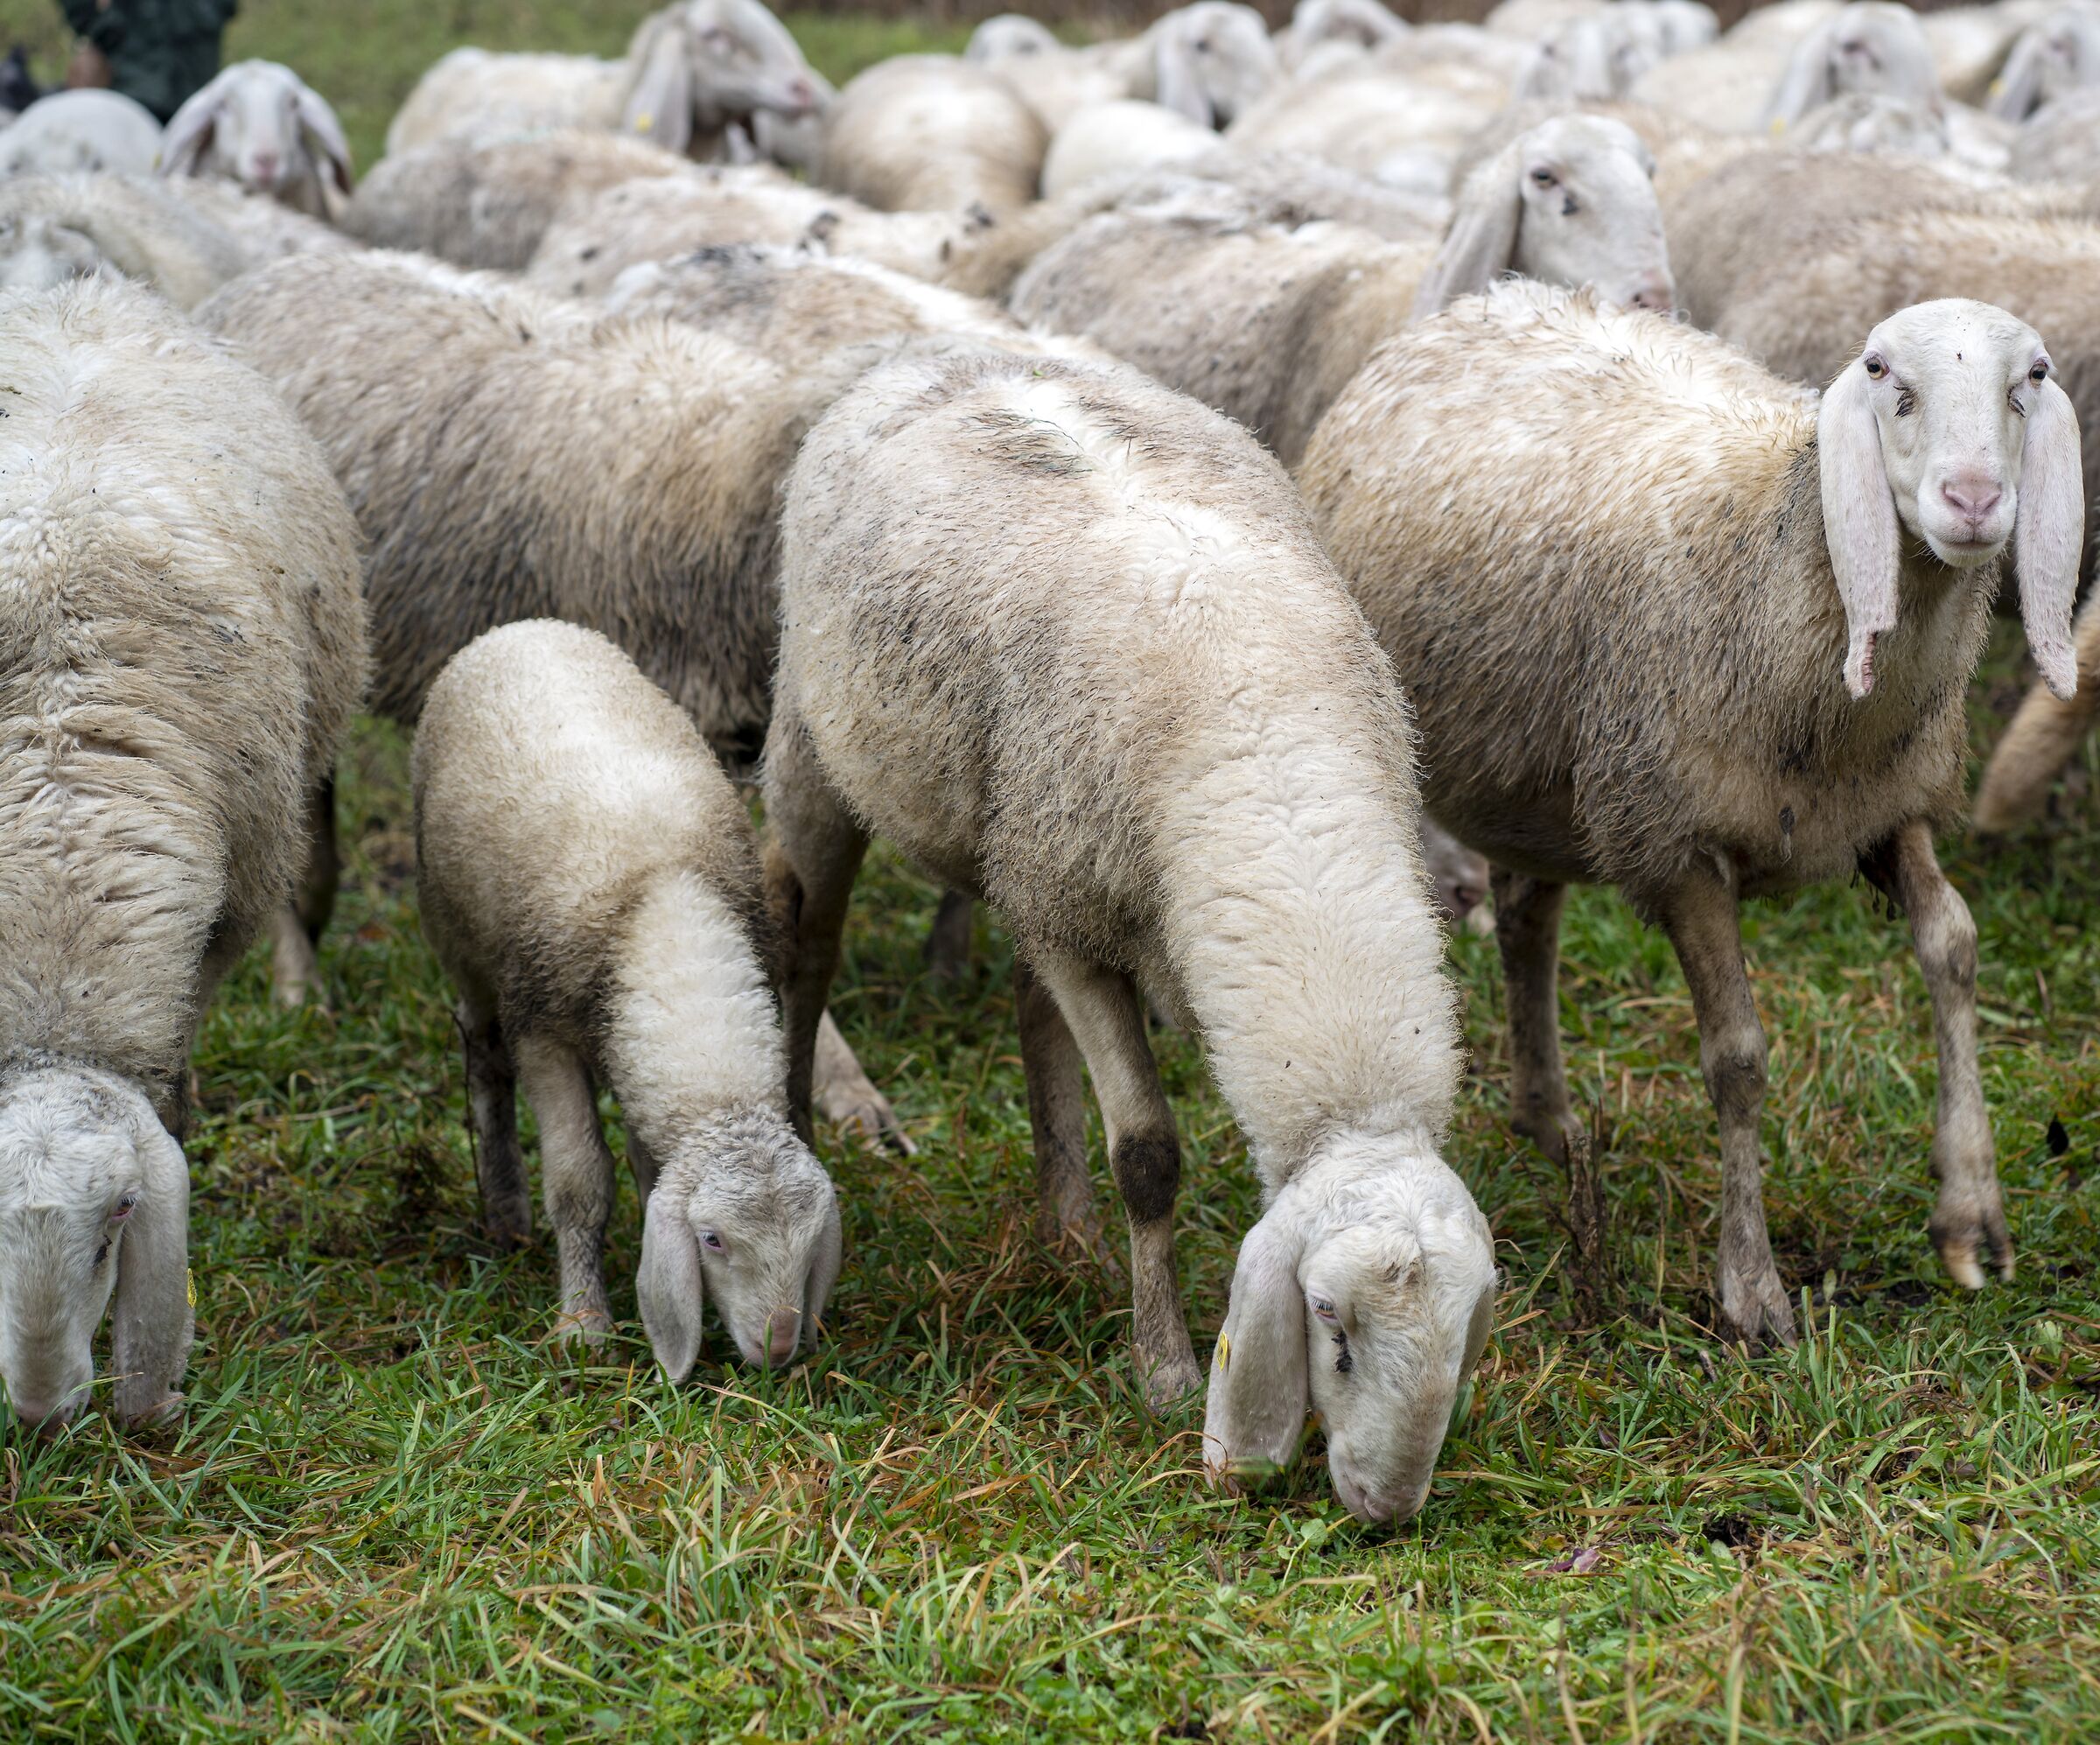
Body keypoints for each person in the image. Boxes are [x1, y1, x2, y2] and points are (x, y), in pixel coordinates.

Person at [60, 0, 236, 123]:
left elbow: (224, 7)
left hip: (194, 88)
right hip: (127, 88)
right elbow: (81, 13)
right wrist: (102, 23)